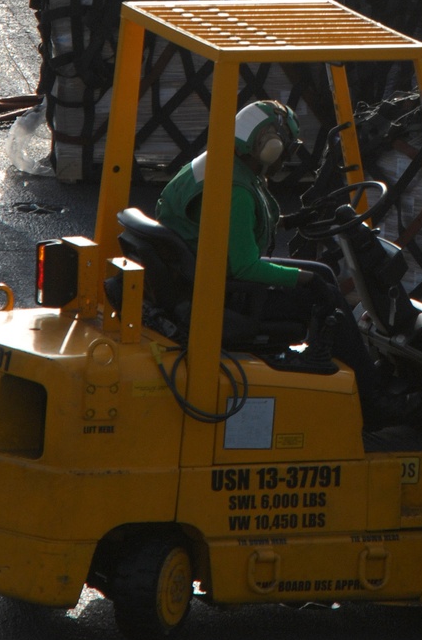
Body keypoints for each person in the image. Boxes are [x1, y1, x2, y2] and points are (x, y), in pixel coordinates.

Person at [156, 99, 384, 423]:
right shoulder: (237, 190)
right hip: (227, 295)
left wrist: (290, 221)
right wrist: (304, 280)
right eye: (285, 150)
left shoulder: (216, 164)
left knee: (322, 273)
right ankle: (373, 401)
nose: (284, 160)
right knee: (324, 292)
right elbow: (246, 267)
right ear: (269, 147)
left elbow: (229, 226)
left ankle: (362, 379)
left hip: (198, 277)